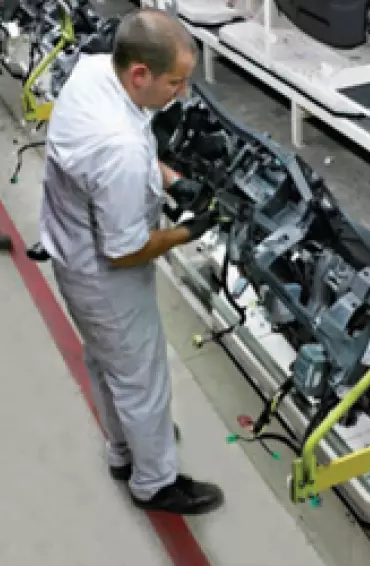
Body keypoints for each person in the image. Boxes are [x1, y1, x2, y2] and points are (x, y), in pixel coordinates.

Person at [39, 8, 223, 515]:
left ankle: (125, 450)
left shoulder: (98, 71)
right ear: (140, 73)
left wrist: (170, 179)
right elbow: (123, 251)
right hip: (105, 278)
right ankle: (155, 482)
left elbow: (138, 138)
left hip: (69, 252)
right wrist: (188, 231)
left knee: (106, 361)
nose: (182, 94)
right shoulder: (115, 146)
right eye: (177, 82)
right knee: (143, 380)